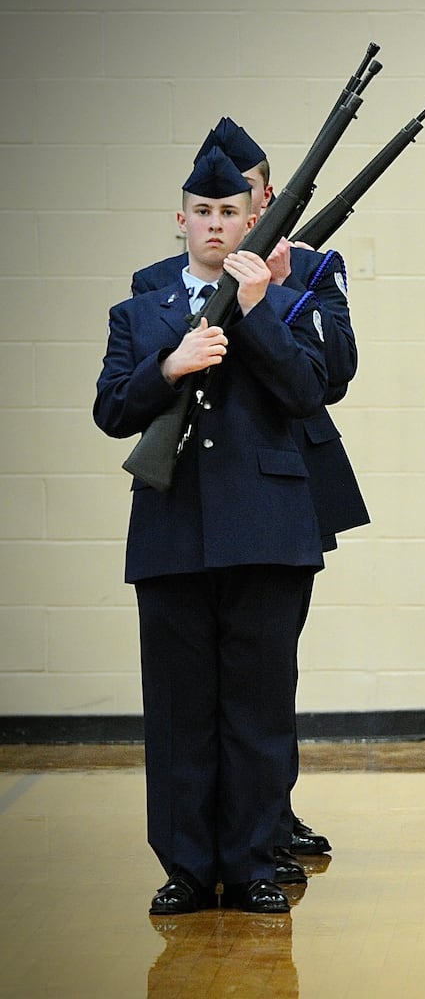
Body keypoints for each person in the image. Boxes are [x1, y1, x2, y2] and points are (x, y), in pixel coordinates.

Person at [94, 147, 329, 914]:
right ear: (182, 219)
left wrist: (257, 311)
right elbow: (111, 410)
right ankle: (189, 868)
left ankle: (256, 862)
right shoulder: (140, 313)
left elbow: (308, 391)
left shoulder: (280, 300)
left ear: (252, 217)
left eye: (231, 212)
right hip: (173, 531)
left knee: (258, 710)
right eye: (204, 211)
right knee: (179, 711)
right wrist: (169, 365)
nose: (217, 224)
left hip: (266, 530)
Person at [131, 117, 366, 868]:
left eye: (244, 200)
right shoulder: (155, 285)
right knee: (194, 690)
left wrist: (275, 293)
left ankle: (263, 829)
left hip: (278, 482)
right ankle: (204, 851)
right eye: (209, 205)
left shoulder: (312, 266)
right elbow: (127, 395)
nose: (228, 215)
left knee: (262, 678)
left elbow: (330, 374)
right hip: (191, 493)